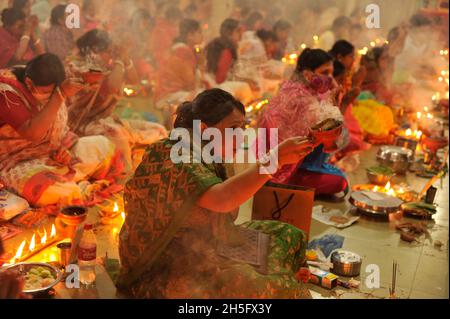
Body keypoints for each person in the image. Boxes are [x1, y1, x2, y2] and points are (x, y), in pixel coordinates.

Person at [118, 88, 314, 299]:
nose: (240, 136)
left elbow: (231, 213)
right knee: (268, 288)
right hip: (161, 269)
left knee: (289, 234)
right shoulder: (176, 155)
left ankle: (276, 272)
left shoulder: (212, 155)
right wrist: (273, 160)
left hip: (204, 246)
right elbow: (224, 199)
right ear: (204, 129)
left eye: (243, 128)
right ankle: (278, 275)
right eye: (233, 128)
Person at [0, 53, 123, 207]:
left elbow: (58, 130)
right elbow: (32, 133)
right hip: (18, 163)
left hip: (52, 154)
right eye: (47, 93)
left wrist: (63, 149)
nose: (51, 97)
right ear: (29, 83)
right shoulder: (7, 92)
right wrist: (59, 95)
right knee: (53, 190)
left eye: (55, 92)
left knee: (104, 146)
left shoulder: (48, 81)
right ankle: (73, 183)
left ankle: (70, 181)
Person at [259, 48, 348, 197]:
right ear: (307, 74)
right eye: (325, 73)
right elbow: (333, 139)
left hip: (268, 164)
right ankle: (294, 184)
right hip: (280, 172)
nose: (331, 79)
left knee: (337, 170)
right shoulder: (302, 99)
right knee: (340, 182)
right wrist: (336, 104)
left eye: (332, 73)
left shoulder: (293, 87)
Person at [154, 19, 204, 105]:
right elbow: (190, 82)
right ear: (190, 35)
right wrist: (199, 65)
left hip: (169, 94)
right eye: (199, 32)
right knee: (203, 98)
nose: (202, 36)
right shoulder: (183, 52)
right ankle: (196, 119)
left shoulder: (181, 49)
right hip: (168, 96)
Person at [205, 18, 241, 85]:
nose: (240, 34)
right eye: (238, 31)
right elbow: (220, 78)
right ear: (229, 33)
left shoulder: (217, 42)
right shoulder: (227, 50)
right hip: (218, 87)